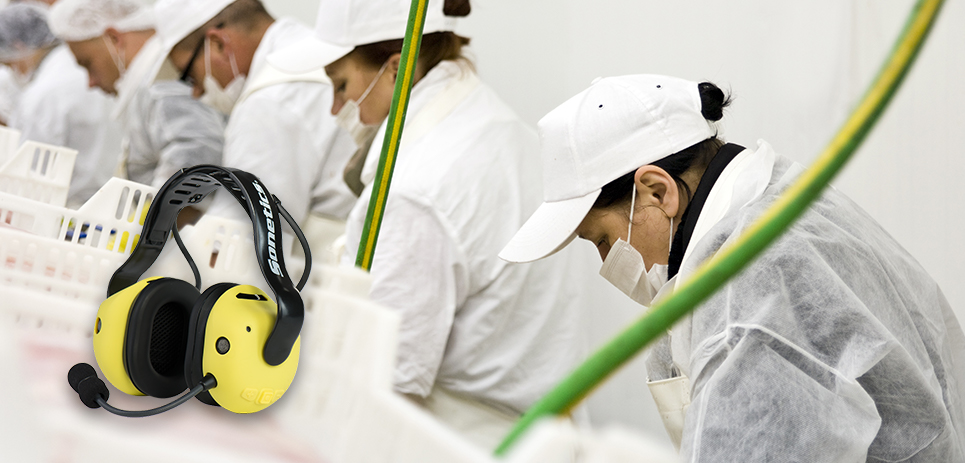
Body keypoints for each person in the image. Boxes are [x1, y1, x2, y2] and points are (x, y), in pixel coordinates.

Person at [500, 74, 965, 461]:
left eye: (601, 240)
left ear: (658, 192)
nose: (607, 261)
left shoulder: (749, 284)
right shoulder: (777, 199)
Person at [268, 0, 587, 450]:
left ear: (396, 68)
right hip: (534, 431)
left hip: (460, 439)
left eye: (341, 86)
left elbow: (386, 379)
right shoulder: (493, 124)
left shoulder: (416, 187)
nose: (336, 107)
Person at [150, 0, 356, 254]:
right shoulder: (307, 48)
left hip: (328, 278)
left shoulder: (269, 101)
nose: (196, 92)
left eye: (190, 76)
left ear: (218, 44)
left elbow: (235, 239)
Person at [48, 0, 225, 226]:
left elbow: (197, 162)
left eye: (88, 64)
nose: (91, 82)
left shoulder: (160, 82)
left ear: (114, 38)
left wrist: (146, 231)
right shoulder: (149, 81)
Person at [0, 2, 121, 207]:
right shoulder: (79, 68)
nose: (13, 72)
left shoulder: (43, 95)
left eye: (10, 63)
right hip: (114, 205)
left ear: (19, 46)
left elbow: (29, 181)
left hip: (70, 213)